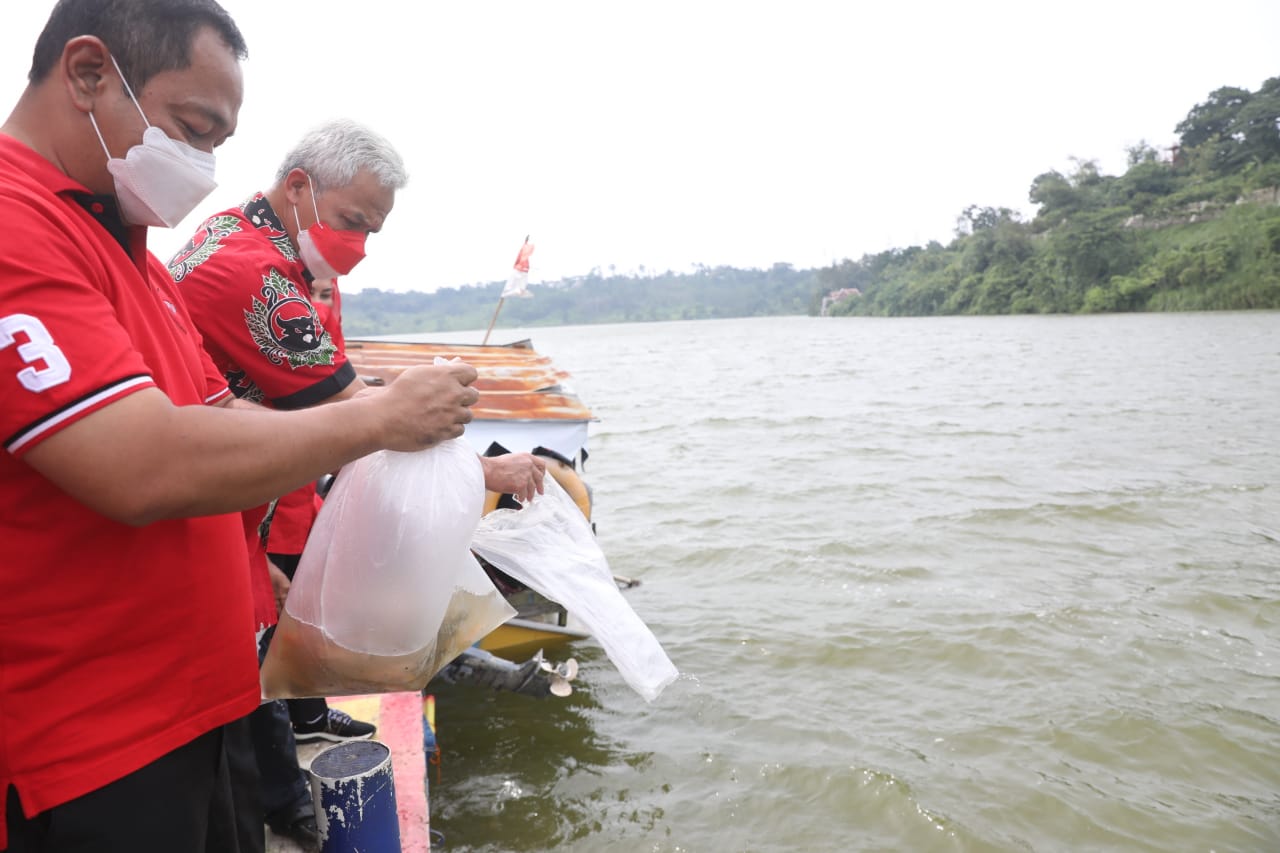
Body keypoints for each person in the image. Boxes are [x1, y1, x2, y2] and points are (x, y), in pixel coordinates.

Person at [0, 2, 482, 850]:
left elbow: (220, 418)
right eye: (194, 128)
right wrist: (380, 418)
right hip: (92, 743)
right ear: (86, 74)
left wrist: (252, 558)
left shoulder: (129, 250)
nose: (207, 164)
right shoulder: (16, 225)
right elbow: (140, 460)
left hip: (197, 706)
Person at [168, 118, 548, 848]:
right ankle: (279, 807)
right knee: (241, 682)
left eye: (372, 232)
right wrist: (485, 469)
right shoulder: (252, 274)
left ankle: (283, 763)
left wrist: (390, 400)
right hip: (210, 504)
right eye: (351, 222)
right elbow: (356, 422)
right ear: (300, 187)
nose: (358, 246)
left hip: (249, 499)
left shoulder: (293, 263)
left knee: (264, 650)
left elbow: (347, 393)